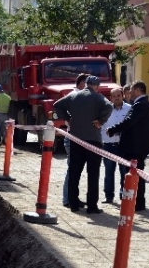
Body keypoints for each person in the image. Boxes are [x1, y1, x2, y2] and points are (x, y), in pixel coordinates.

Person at [53, 76, 113, 214]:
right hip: (93, 140)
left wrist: (68, 118)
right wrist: (100, 120)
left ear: (86, 84)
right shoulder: (98, 98)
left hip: (76, 140)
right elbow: (109, 106)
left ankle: (73, 203)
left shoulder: (74, 96)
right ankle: (92, 206)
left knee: (74, 172)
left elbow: (57, 105)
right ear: (97, 86)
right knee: (93, 174)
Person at [106, 81, 149, 212]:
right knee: (135, 174)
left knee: (136, 175)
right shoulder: (141, 104)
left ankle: (138, 203)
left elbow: (129, 121)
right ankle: (136, 201)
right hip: (136, 146)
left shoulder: (141, 105)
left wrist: (113, 129)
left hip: (136, 147)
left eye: (132, 89)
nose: (130, 92)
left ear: (138, 90)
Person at [100, 87, 132, 204]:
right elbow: (102, 127)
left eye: (119, 95)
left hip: (123, 146)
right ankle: (108, 196)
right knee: (109, 172)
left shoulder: (129, 109)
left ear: (123, 96)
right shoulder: (106, 110)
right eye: (114, 96)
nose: (117, 98)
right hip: (108, 145)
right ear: (111, 98)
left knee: (124, 172)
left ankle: (123, 195)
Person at [62, 73, 89, 208]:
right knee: (73, 169)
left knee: (76, 170)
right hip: (73, 138)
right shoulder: (75, 97)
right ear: (81, 84)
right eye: (88, 84)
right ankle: (67, 198)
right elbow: (60, 108)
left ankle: (73, 197)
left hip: (80, 137)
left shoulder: (82, 97)